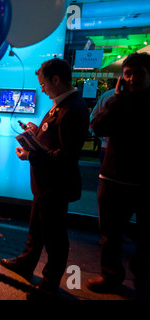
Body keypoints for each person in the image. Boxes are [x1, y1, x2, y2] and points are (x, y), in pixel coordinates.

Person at [0, 58, 89, 297]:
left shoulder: (72, 109)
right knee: (37, 229)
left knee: (55, 239)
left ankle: (49, 284)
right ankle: (26, 263)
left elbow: (65, 156)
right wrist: (35, 131)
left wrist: (30, 154)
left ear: (56, 80)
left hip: (55, 186)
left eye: (43, 84)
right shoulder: (62, 104)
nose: (42, 88)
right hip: (44, 184)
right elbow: (54, 139)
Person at [88, 52, 150, 298]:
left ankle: (142, 275)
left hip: (145, 181)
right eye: (128, 74)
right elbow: (98, 127)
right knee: (110, 234)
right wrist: (117, 98)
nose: (132, 79)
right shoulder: (117, 101)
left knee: (147, 237)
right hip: (113, 177)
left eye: (138, 74)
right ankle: (111, 275)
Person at [89, 88, 115, 163]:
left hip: (106, 147)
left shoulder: (108, 95)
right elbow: (92, 123)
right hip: (108, 148)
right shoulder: (110, 95)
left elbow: (92, 122)